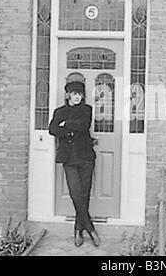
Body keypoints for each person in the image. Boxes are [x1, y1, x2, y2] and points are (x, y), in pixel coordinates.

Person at [48, 81, 100, 247]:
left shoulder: (87, 110)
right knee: (76, 194)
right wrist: (70, 128)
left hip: (86, 158)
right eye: (74, 93)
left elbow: (84, 125)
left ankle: (78, 230)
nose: (77, 97)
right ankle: (90, 229)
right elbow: (52, 129)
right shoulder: (59, 111)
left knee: (84, 195)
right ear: (68, 95)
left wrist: (66, 125)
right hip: (69, 159)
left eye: (80, 94)